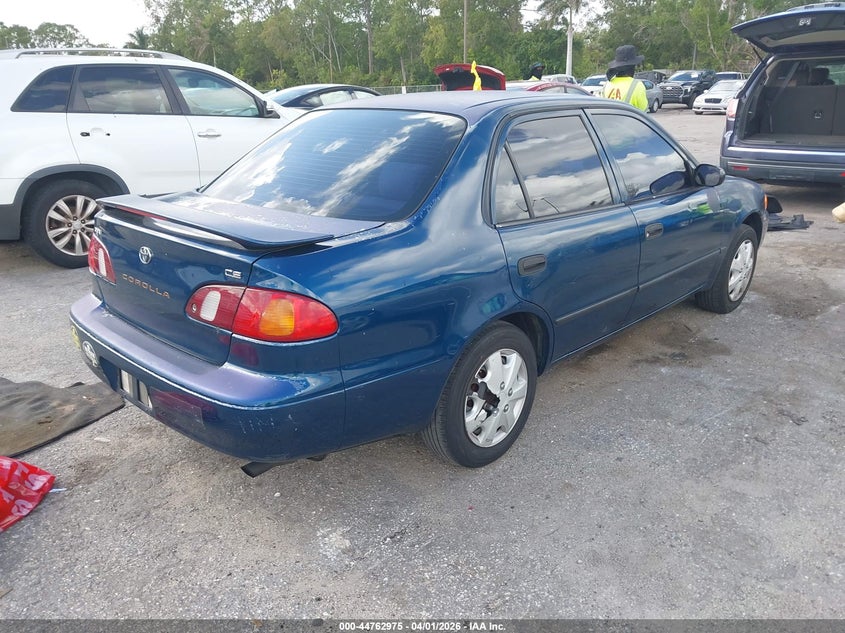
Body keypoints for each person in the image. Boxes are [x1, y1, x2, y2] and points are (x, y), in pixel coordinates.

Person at [602, 45, 648, 111]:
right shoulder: (637, 85)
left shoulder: (606, 85)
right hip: (629, 121)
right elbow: (644, 112)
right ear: (632, 67)